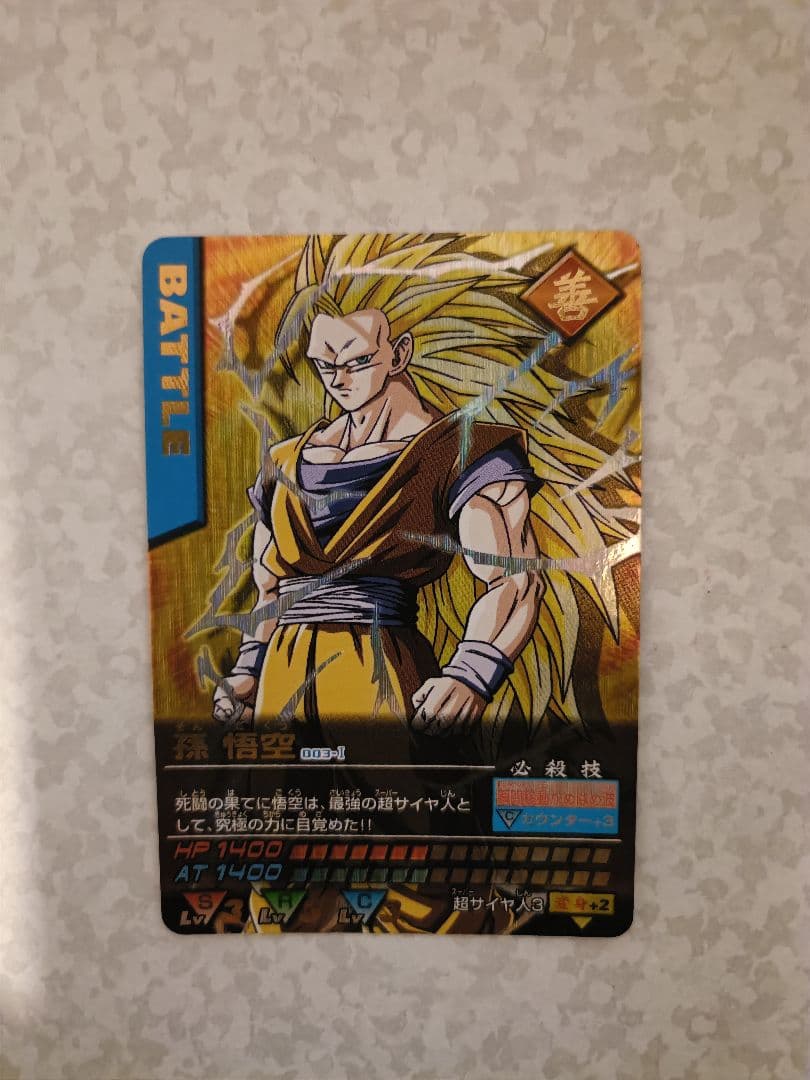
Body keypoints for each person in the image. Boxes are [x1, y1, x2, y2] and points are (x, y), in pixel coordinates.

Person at [212, 303, 544, 764]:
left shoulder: (462, 451)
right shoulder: (284, 461)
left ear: (399, 353)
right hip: (281, 679)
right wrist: (250, 666)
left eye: (358, 361)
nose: (339, 380)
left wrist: (472, 672)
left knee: (393, 797)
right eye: (325, 365)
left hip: (381, 670)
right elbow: (270, 587)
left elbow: (514, 577)